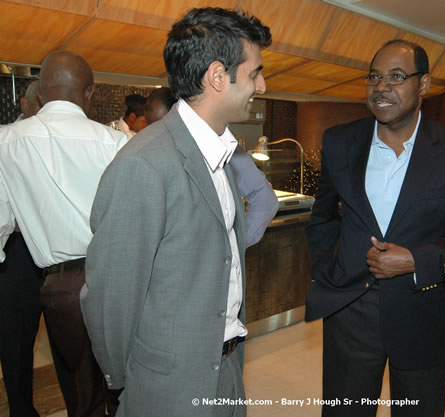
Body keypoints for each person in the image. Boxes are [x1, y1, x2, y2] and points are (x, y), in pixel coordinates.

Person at [80, 7, 272, 417]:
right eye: (255, 72)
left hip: (227, 369)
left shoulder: (221, 153)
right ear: (218, 76)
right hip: (169, 387)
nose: (262, 84)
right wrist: (125, 379)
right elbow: (111, 298)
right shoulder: (144, 164)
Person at [305, 39, 445, 417]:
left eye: (397, 76)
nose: (381, 87)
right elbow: (323, 217)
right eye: (374, 76)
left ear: (423, 85)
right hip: (350, 311)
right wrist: (328, 274)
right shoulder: (340, 142)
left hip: (422, 311)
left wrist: (417, 260)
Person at [0, 51, 128, 417]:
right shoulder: (117, 142)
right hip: (115, 277)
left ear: (41, 93)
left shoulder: (8, 142)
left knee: (79, 388)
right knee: (119, 386)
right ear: (89, 93)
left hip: (61, 285)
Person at [144, 86, 278, 246]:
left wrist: (237, 244)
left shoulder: (224, 148)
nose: (160, 133)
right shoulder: (149, 157)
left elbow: (264, 197)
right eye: (151, 126)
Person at [0, 80, 44, 417]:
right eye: (39, 101)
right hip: (17, 257)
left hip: (62, 260)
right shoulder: (4, 141)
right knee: (16, 342)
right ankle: (21, 409)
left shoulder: (55, 140)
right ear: (24, 103)